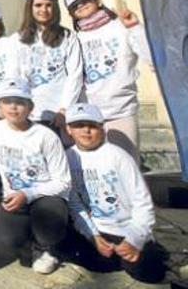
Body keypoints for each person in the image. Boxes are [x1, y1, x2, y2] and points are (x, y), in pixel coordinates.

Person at [62, 103, 166, 284]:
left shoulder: (118, 157)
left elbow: (142, 202)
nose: (86, 130)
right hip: (96, 230)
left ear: (102, 128)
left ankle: (142, 253)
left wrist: (134, 238)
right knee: (63, 245)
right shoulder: (67, 158)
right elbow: (75, 203)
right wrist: (92, 235)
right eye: (79, 125)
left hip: (125, 229)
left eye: (93, 125)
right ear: (69, 129)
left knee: (147, 271)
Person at [0, 79, 71, 274]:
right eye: (8, 101)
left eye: (20, 102)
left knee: (50, 222)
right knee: (6, 242)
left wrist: (28, 194)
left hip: (45, 196)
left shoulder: (46, 136)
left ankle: (47, 247)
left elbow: (63, 181)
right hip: (13, 197)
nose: (13, 107)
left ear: (31, 107)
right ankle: (27, 243)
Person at [64, 0, 151, 161]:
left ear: (98, 1)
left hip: (121, 111)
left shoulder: (121, 26)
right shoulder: (75, 39)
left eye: (84, 1)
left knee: (126, 164)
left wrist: (135, 27)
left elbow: (150, 57)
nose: (80, 6)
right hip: (88, 115)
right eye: (74, 6)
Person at [16, 0, 83, 136]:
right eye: (38, 5)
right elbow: (15, 76)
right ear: (30, 7)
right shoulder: (17, 39)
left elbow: (75, 74)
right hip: (29, 116)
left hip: (60, 116)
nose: (44, 10)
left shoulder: (67, 37)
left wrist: (64, 109)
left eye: (49, 5)